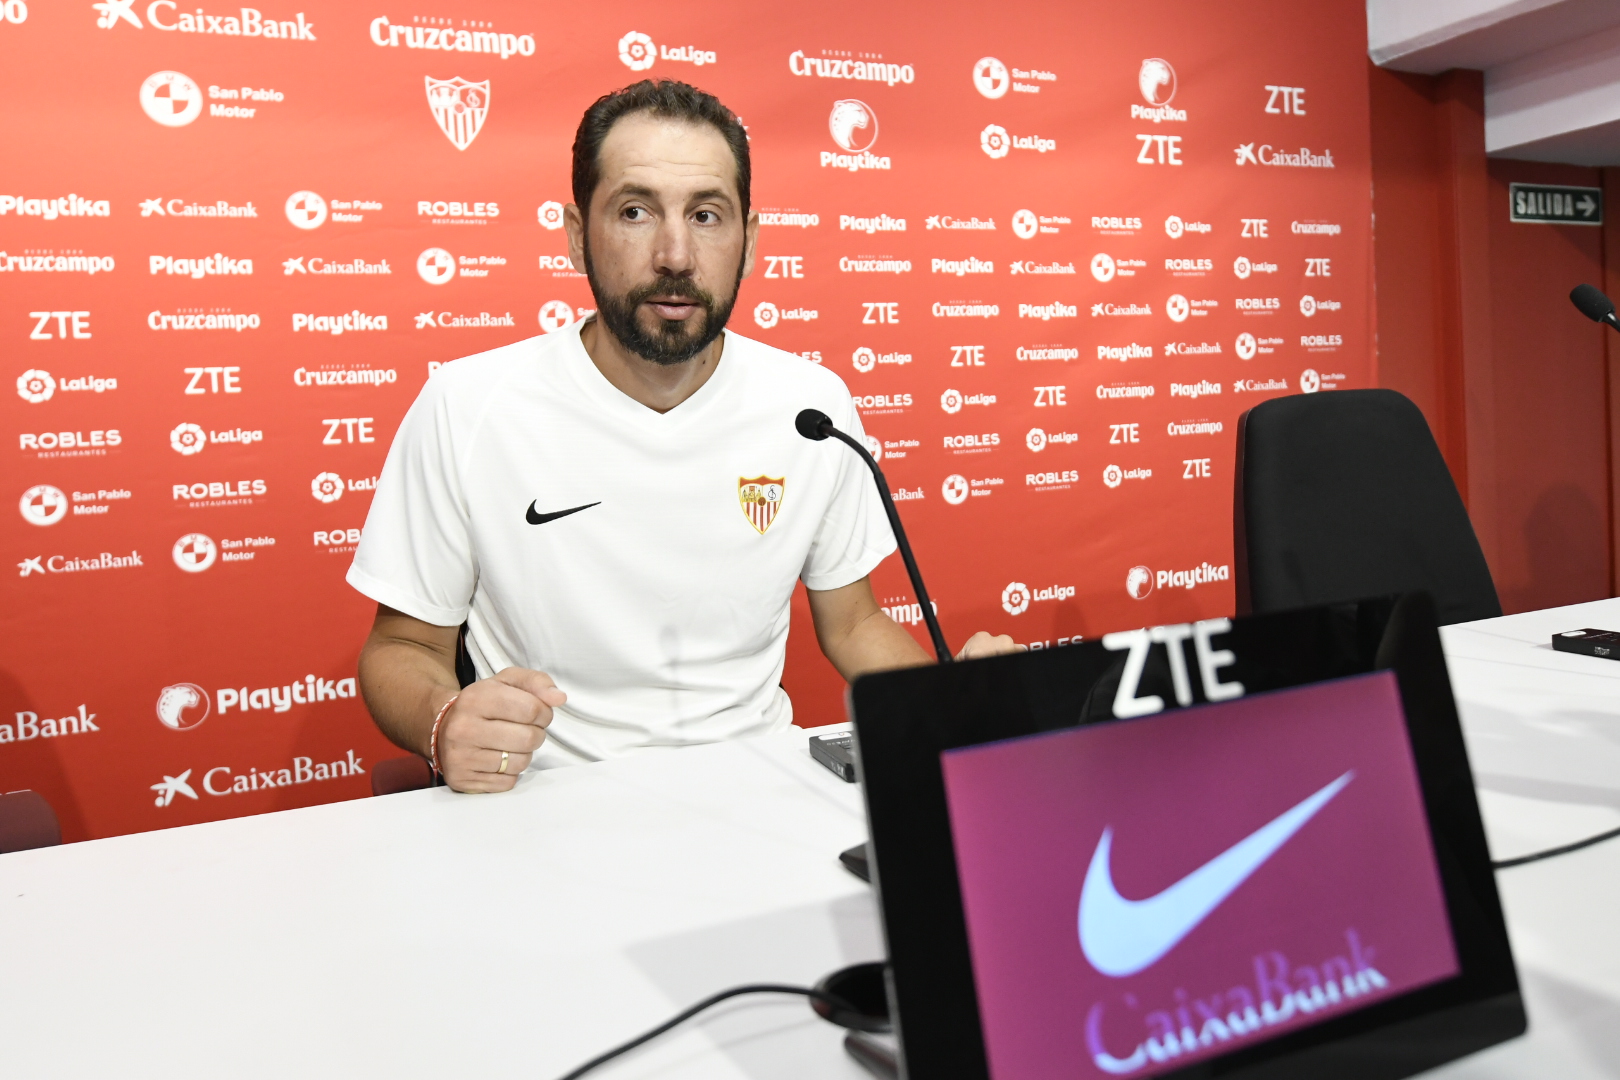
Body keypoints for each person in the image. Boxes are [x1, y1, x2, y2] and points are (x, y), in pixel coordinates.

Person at [349, 80, 1017, 793]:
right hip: (547, 799)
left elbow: (854, 625)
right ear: (577, 235)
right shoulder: (469, 404)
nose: (675, 253)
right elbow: (402, 646)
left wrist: (953, 707)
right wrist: (444, 718)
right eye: (635, 212)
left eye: (706, 214)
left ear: (749, 241)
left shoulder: (811, 406)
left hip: (764, 785)